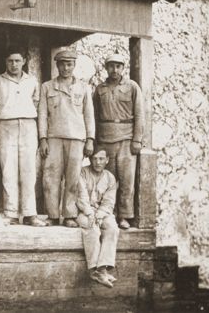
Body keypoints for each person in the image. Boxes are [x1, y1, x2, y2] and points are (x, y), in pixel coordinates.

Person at [0, 47, 46, 227]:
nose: (14, 64)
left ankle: (29, 214)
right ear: (5, 62)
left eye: (17, 61)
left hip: (28, 126)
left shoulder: (32, 81)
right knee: (9, 169)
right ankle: (10, 213)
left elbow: (36, 104)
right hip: (6, 126)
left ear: (24, 61)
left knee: (29, 171)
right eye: (10, 61)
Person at [38, 50, 95, 227]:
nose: (66, 68)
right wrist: (43, 138)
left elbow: (89, 115)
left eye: (69, 64)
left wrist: (90, 139)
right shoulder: (47, 86)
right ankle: (53, 215)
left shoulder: (84, 87)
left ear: (74, 65)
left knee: (72, 178)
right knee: (50, 177)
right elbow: (42, 114)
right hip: (54, 137)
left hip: (77, 138)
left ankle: (69, 214)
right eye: (62, 64)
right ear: (57, 65)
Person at [92, 53, 144, 230]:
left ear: (123, 68)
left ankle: (125, 216)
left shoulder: (132, 87)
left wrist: (137, 140)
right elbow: (94, 115)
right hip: (105, 140)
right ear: (106, 68)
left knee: (126, 179)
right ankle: (109, 214)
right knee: (108, 180)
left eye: (118, 66)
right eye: (111, 66)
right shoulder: (100, 89)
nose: (115, 70)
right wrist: (94, 141)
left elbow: (140, 114)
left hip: (125, 139)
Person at [76, 149, 119, 288]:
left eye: (101, 159)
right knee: (92, 228)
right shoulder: (82, 172)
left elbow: (109, 201)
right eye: (94, 158)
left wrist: (100, 214)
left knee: (112, 227)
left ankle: (102, 269)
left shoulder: (110, 177)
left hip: (102, 213)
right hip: (84, 212)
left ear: (107, 160)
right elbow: (81, 197)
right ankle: (94, 270)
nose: (97, 162)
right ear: (90, 159)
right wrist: (90, 214)